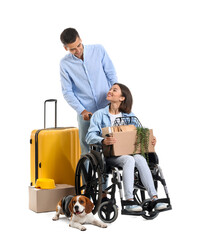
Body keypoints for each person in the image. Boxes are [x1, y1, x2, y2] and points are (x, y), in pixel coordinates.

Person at [85, 83, 167, 212]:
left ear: (122, 98)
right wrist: (103, 140)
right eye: (110, 89)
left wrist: (150, 139)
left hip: (130, 154)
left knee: (140, 158)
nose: (110, 91)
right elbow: (89, 137)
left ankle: (154, 198)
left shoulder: (129, 116)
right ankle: (129, 200)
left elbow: (139, 133)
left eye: (114, 90)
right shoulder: (99, 115)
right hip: (108, 156)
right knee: (129, 160)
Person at [60, 28, 117, 156]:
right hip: (86, 112)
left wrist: (115, 97)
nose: (78, 50)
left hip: (107, 107)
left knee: (112, 144)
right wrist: (82, 110)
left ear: (80, 39)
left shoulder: (98, 50)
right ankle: (86, 176)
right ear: (66, 49)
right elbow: (67, 91)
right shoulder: (65, 64)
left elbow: (111, 75)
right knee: (86, 149)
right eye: (73, 49)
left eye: (78, 45)